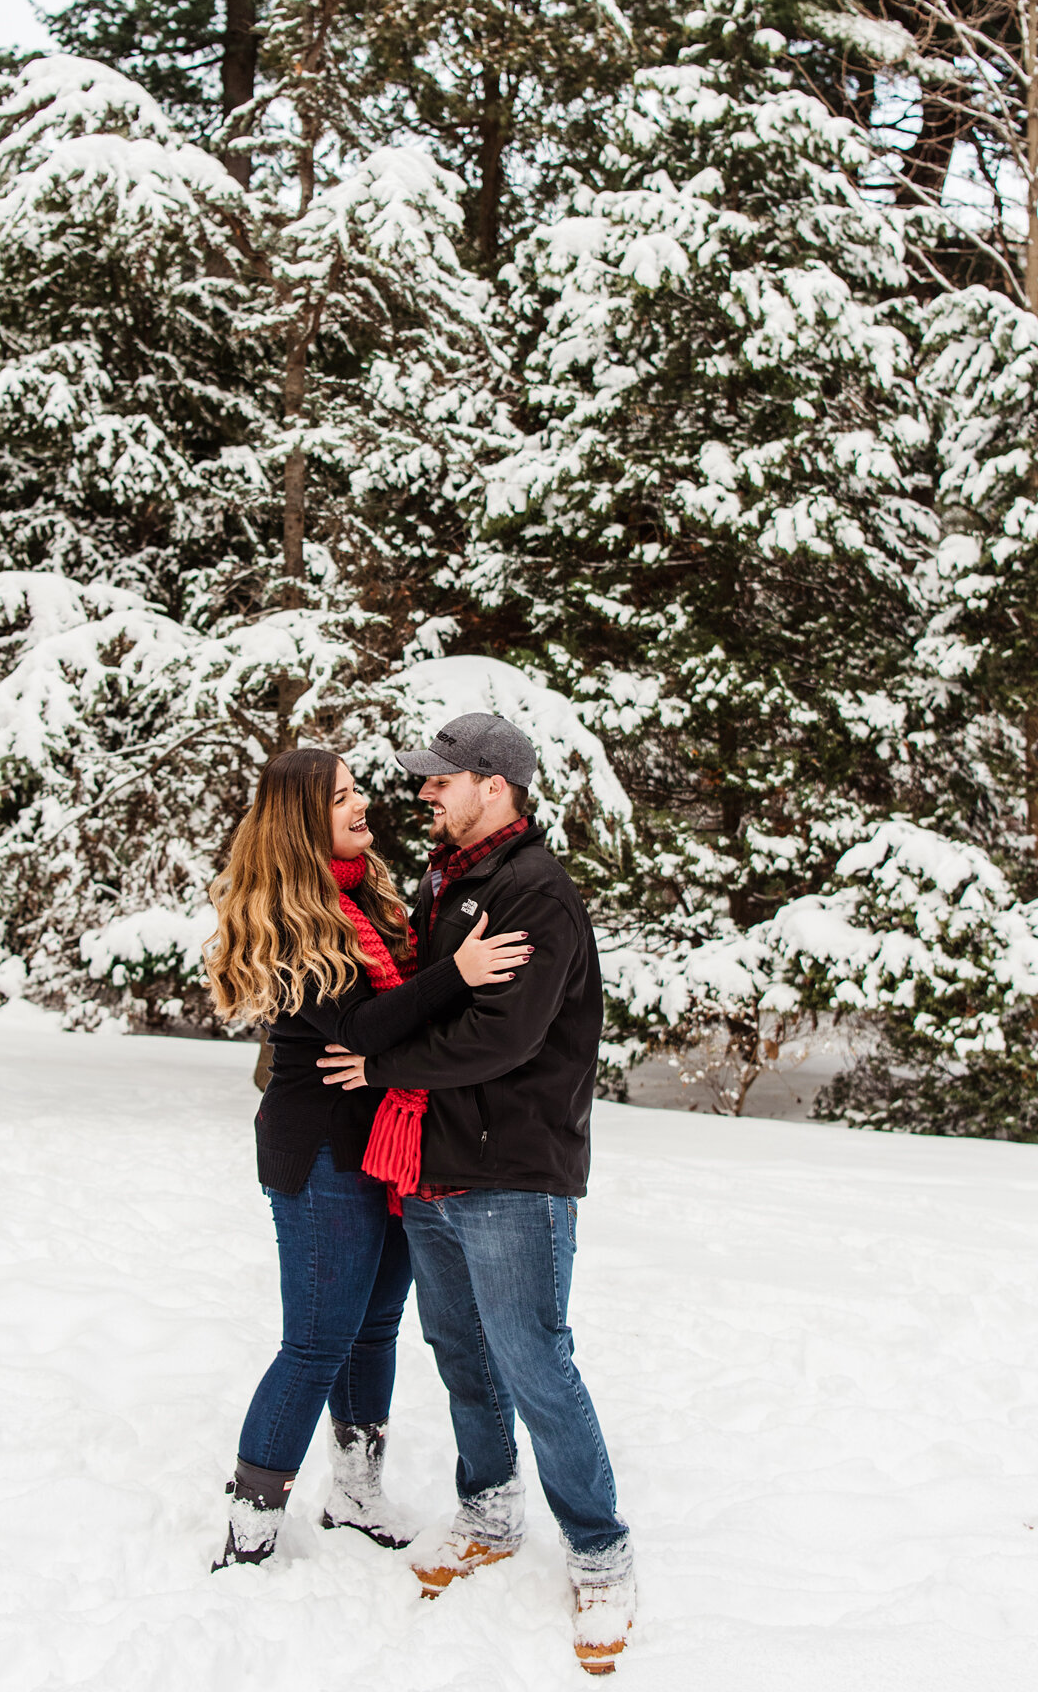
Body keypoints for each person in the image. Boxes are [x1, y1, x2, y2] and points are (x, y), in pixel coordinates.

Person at [321, 712, 635, 1675]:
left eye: (439, 782)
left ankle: (598, 1551)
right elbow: (441, 992)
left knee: (534, 1361)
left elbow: (503, 1037)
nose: (422, 794)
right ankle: (489, 1509)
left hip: (513, 1172)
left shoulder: (536, 894)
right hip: (436, 1164)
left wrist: (379, 1063)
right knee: (460, 1352)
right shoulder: (448, 877)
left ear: (494, 785)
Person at [205, 745, 534, 1570]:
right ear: (298, 822)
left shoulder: (370, 896)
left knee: (372, 1329)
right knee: (316, 1339)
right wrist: (457, 973)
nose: (363, 808)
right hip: (320, 1153)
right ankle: (250, 1529)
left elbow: (393, 1024)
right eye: (342, 798)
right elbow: (358, 1026)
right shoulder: (288, 916)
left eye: (357, 792)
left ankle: (354, 1491)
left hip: (386, 1141)